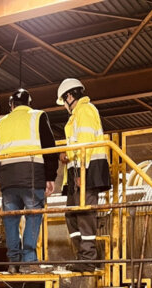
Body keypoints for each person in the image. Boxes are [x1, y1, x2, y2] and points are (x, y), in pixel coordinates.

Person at [0, 88, 59, 274]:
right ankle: (29, 261)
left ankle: (13, 262)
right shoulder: (37, 116)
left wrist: (1, 178)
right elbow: (50, 147)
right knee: (33, 216)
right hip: (32, 175)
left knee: (11, 221)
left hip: (8, 179)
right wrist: (50, 176)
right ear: (29, 103)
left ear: (11, 105)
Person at [57, 78, 111, 272]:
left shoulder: (86, 110)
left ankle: (88, 259)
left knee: (84, 215)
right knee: (72, 215)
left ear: (70, 96)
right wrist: (66, 155)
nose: (64, 105)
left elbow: (85, 143)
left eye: (64, 100)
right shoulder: (75, 116)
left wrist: (82, 171)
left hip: (87, 169)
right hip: (76, 171)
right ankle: (82, 257)